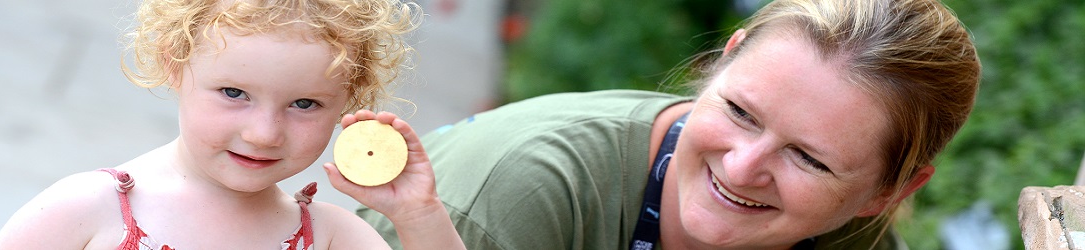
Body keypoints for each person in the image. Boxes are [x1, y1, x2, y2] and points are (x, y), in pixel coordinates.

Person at [358, 0, 979, 249]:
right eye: (739, 112)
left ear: (887, 194)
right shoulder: (511, 201)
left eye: (809, 159)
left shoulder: (850, 236)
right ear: (721, 62)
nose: (741, 169)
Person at [0, 0, 464, 249]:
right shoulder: (86, 210)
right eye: (235, 94)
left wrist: (419, 217)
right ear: (174, 63)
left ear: (348, 102)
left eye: (304, 103)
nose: (264, 133)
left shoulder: (331, 237)